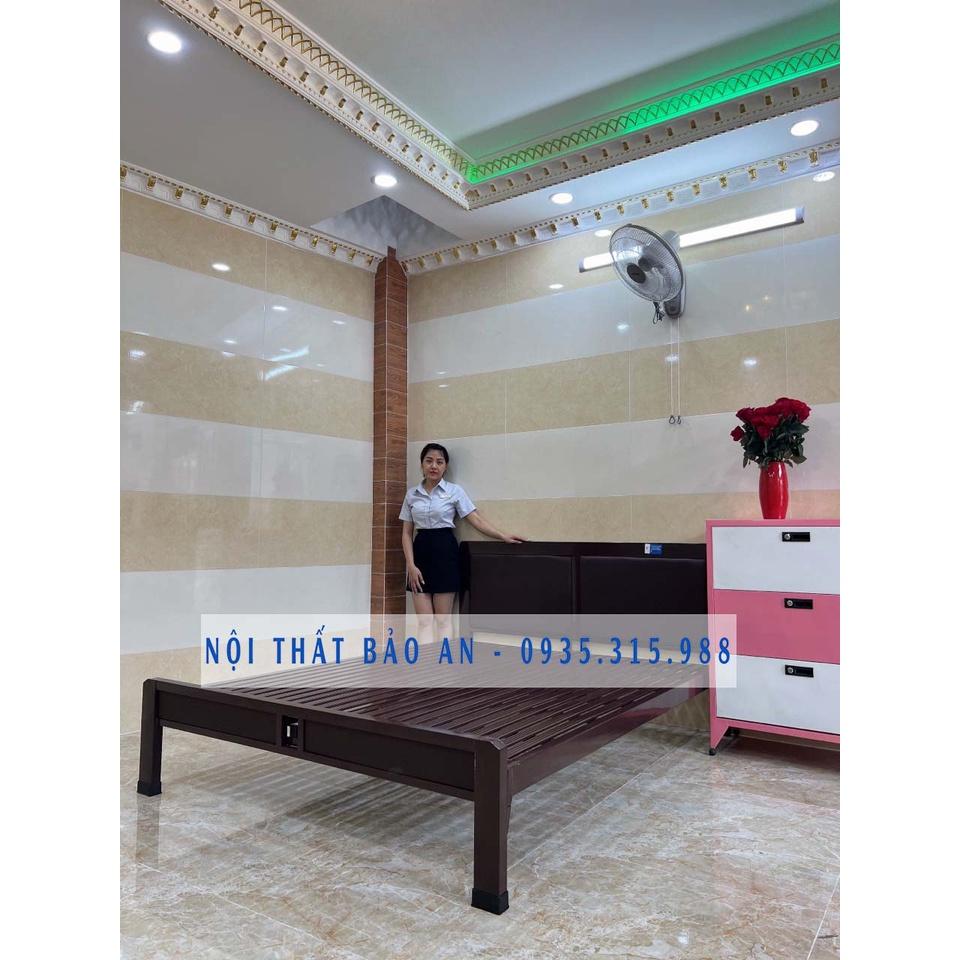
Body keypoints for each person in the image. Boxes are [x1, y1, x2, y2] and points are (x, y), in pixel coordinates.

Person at [399, 443, 525, 629]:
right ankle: (426, 651)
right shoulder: (412, 495)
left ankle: (445, 650)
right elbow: (406, 533)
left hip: (445, 552)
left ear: (445, 466)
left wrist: (502, 536)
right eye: (429, 461)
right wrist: (410, 565)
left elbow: (475, 519)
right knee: (424, 622)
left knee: (443, 621)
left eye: (439, 462)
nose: (434, 466)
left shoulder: (454, 491)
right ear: (422, 464)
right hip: (420, 555)